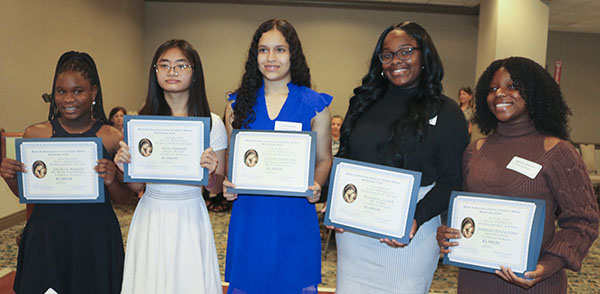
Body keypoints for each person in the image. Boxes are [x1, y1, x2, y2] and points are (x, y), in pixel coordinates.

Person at [436, 57, 599, 293]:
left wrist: (547, 265)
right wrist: (446, 232)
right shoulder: (475, 150)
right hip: (475, 281)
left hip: (533, 282)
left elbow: (583, 222)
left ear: (534, 93)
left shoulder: (557, 151)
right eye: (493, 88)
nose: (500, 93)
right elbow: (461, 210)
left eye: (512, 86)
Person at [333, 21, 469, 293]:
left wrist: (414, 218)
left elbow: (452, 179)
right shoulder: (363, 102)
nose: (396, 60)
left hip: (412, 232)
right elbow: (345, 158)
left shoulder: (446, 111)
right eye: (388, 54)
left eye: (406, 51)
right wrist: (338, 205)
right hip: (355, 232)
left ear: (424, 55)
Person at [0, 51, 134, 294]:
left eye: (77, 91)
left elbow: (125, 198)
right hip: (47, 235)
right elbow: (29, 193)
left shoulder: (112, 137)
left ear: (93, 92)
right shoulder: (35, 134)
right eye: (61, 92)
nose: (68, 99)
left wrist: (113, 178)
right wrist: (9, 177)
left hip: (95, 236)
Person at [223, 18, 333, 294]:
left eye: (280, 50)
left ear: (292, 54)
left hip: (295, 217)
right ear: (254, 56)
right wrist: (227, 183)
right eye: (263, 50)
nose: (271, 58)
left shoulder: (314, 105)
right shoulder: (236, 105)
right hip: (250, 216)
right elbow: (232, 164)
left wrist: (317, 185)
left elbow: (324, 159)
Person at [114, 39, 227, 294]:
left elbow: (217, 187)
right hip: (151, 212)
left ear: (194, 73)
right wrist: (124, 167)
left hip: (191, 213)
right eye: (164, 65)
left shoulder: (212, 122)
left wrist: (211, 171)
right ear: (155, 73)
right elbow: (136, 186)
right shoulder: (141, 121)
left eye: (181, 66)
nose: (172, 72)